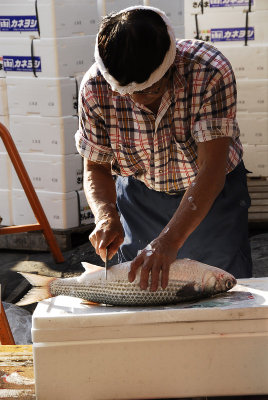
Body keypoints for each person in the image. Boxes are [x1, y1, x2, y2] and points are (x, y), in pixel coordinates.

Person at [75, 5, 252, 292]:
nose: (138, 101)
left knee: (223, 292)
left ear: (170, 66)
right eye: (126, 93)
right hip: (139, 199)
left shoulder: (209, 71)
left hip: (212, 196)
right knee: (143, 294)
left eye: (150, 90)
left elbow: (211, 168)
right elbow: (96, 166)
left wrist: (168, 241)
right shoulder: (94, 87)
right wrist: (106, 214)